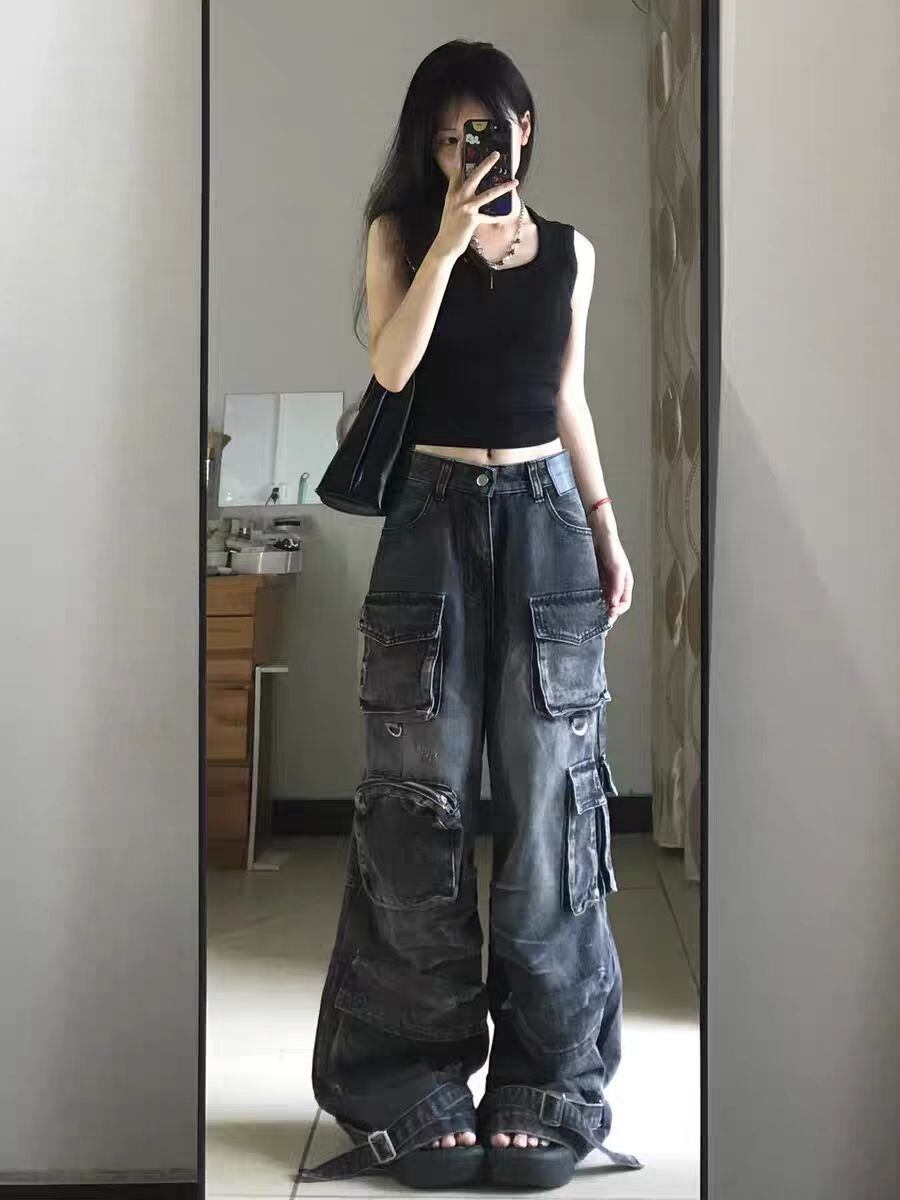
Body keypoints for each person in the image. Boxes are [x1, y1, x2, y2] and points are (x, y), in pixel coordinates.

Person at [299, 39, 642, 1191]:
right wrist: (447, 242)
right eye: (446, 139)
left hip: (546, 519)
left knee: (551, 810)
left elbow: (567, 396)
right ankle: (411, 1077)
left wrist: (605, 527)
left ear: (522, 129)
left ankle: (549, 1084)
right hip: (430, 523)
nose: (464, 155)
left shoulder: (574, 253)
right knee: (418, 807)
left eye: (481, 134)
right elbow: (394, 370)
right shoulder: (401, 234)